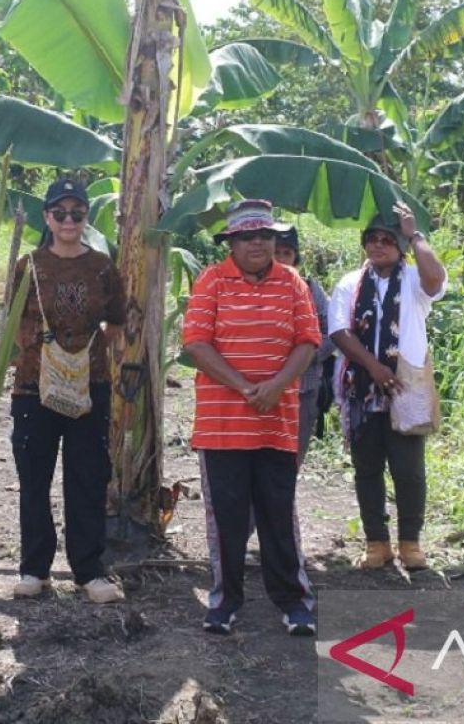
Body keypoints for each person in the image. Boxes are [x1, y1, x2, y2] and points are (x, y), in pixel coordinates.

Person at [183, 199, 320, 636]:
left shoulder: (293, 283)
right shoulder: (211, 281)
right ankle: (225, 602)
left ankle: (294, 602)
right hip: (223, 426)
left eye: (264, 235)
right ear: (232, 243)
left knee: (278, 513)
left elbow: (308, 341)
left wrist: (278, 385)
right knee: (227, 518)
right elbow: (197, 344)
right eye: (247, 237)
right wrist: (245, 387)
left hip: (275, 423)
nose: (257, 243)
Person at [9, 178, 125, 604]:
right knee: (34, 479)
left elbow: (115, 320)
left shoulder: (101, 267)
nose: (69, 221)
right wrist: (45, 356)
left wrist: (84, 356)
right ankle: (34, 569)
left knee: (87, 478)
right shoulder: (28, 266)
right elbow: (12, 320)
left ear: (86, 217)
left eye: (77, 213)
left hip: (89, 386)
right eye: (61, 213)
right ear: (47, 217)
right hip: (32, 388)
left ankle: (89, 571)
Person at [329, 204, 447, 572]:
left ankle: (410, 543)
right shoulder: (350, 283)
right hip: (362, 387)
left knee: (408, 469)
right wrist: (374, 368)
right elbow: (339, 332)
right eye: (372, 239)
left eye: (386, 240)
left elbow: (437, 280)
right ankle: (376, 543)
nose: (378, 245)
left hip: (406, 387)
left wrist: (415, 234)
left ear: (399, 247)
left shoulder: (413, 279)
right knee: (367, 468)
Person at [273, 224, 336, 463]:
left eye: (286, 254)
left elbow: (332, 332)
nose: (280, 259)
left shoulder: (310, 289)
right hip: (261, 391)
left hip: (303, 390)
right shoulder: (252, 289)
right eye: (276, 252)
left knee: (291, 462)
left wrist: (303, 358)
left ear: (295, 257)